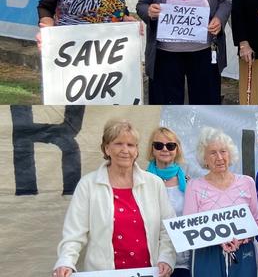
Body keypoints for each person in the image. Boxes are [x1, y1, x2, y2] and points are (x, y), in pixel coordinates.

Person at [53, 119, 175, 277]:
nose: (125, 150)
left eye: (131, 145)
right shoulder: (88, 184)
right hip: (103, 273)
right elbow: (74, 234)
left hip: (149, 272)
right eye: (118, 143)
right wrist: (66, 262)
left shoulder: (154, 183)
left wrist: (166, 258)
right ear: (106, 148)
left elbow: (167, 229)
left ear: (136, 150)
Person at [183, 127, 258, 277]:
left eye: (223, 151)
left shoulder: (247, 182)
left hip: (243, 251)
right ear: (204, 158)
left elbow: (256, 221)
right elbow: (189, 227)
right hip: (207, 254)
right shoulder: (194, 186)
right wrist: (218, 240)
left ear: (230, 154)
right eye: (212, 153)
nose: (219, 157)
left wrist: (241, 239)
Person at [146, 127, 190, 277]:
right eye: (159, 145)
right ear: (152, 149)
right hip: (153, 260)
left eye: (170, 145)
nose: (165, 149)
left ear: (177, 149)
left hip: (184, 259)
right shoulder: (141, 182)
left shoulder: (189, 183)